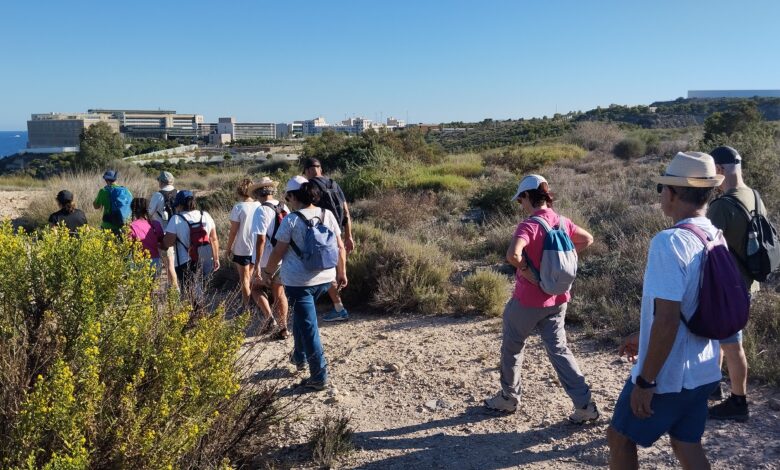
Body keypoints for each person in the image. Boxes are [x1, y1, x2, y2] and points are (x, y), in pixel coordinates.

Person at [607, 152, 724, 469]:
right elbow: (696, 306)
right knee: (687, 444)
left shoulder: (669, 242)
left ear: (671, 193)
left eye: (663, 187)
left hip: (671, 375)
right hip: (705, 368)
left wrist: (646, 382)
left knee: (619, 438)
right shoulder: (714, 235)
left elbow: (669, 319)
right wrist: (642, 335)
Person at [484, 174, 598, 425]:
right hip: (558, 299)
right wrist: (555, 267)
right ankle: (585, 405)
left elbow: (512, 255)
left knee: (512, 348)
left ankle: (508, 398)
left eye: (520, 200)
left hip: (528, 301)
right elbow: (587, 239)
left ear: (527, 196)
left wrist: (528, 270)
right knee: (559, 350)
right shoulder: (562, 221)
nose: (520, 205)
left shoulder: (529, 225)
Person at [263, 176, 348, 391]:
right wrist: (341, 272)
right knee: (303, 318)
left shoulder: (291, 220)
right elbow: (340, 246)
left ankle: (319, 376)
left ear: (294, 196)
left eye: (288, 197)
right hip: (325, 278)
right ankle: (299, 357)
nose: (287, 200)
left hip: (299, 283)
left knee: (309, 327)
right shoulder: (326, 214)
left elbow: (278, 251)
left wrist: (266, 272)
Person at [706, 146, 766, 422]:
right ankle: (713, 386)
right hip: (748, 283)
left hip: (730, 287)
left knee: (731, 344)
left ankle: (738, 402)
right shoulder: (754, 195)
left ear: (718, 170)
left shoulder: (722, 206)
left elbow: (703, 245)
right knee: (722, 340)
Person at [302, 157, 353, 321]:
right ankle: (338, 306)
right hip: (336, 231)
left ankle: (337, 308)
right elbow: (346, 212)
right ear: (320, 168)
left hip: (321, 234)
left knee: (324, 271)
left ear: (308, 171)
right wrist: (349, 236)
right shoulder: (334, 184)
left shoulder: (311, 186)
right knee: (335, 271)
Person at [250, 177, 290, 339]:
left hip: (266, 259)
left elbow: (261, 239)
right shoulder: (284, 207)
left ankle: (270, 319)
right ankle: (284, 327)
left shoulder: (261, 210)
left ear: (259, 193)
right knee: (279, 292)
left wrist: (257, 264)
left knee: (255, 288)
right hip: (284, 256)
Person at [162, 190, 221, 293]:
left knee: (191, 295)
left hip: (185, 262)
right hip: (206, 259)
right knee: (202, 290)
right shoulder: (205, 215)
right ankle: (201, 307)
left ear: (179, 204)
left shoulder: (176, 219)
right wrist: (216, 259)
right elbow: (214, 238)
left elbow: (167, 243)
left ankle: (197, 308)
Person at [225, 178, 261, 309]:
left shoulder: (238, 207)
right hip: (258, 247)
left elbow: (233, 231)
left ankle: (246, 306)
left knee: (244, 279)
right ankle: (257, 302)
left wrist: (228, 248)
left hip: (242, 248)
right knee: (252, 277)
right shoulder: (259, 205)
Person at [148, 171, 178, 287]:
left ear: (161, 182)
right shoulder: (178, 193)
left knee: (169, 263)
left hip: (165, 234)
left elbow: (149, 212)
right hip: (179, 232)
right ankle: (176, 287)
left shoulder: (157, 195)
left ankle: (174, 290)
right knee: (176, 262)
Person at [128, 198, 165, 275]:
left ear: (133, 210)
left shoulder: (131, 226)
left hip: (139, 263)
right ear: (147, 209)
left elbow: (128, 246)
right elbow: (162, 242)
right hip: (156, 262)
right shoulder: (156, 224)